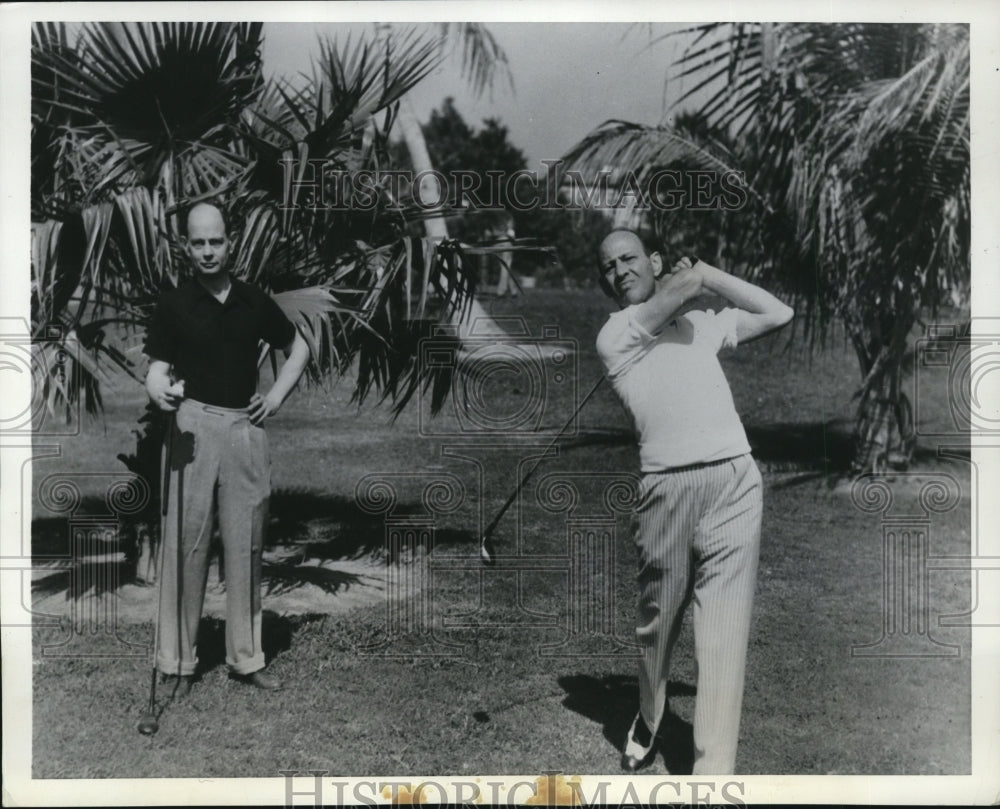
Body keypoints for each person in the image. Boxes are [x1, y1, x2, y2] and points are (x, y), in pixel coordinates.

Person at [594, 228, 793, 774]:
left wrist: (706, 271)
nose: (619, 272)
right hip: (668, 492)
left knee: (724, 636)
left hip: (735, 481)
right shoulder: (615, 335)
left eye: (629, 259)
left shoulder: (701, 326)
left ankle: (712, 776)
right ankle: (650, 713)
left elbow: (779, 312)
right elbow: (689, 288)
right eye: (608, 267)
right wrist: (695, 277)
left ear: (653, 261)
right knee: (658, 623)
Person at [144, 201, 310, 694]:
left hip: (244, 432)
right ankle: (176, 663)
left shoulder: (253, 300)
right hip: (191, 429)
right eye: (198, 243)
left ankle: (246, 658)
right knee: (185, 545)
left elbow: (298, 344)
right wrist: (161, 390)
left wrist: (275, 396)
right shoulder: (174, 305)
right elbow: (156, 367)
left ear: (229, 243)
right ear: (186, 247)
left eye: (216, 241)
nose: (208, 251)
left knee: (246, 543)